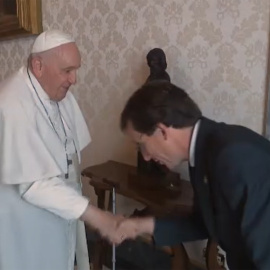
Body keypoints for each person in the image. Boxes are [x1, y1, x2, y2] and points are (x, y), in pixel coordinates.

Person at [0, 30, 123, 270]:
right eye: (67, 70)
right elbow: (33, 184)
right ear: (38, 66)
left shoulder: (57, 93)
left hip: (60, 210)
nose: (74, 79)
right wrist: (94, 214)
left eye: (76, 69)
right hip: (26, 222)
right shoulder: (11, 103)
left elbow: (70, 155)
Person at [117, 81, 270, 269]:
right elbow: (204, 222)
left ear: (162, 130)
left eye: (142, 144)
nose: (146, 157)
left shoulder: (234, 155)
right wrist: (138, 226)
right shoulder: (204, 151)